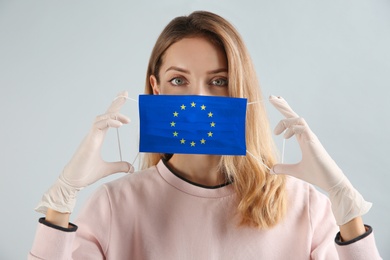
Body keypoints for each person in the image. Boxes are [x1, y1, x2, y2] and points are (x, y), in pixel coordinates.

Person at [29, 11, 382, 259]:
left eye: (219, 81)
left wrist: (345, 208)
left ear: (241, 89)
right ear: (155, 88)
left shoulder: (305, 207)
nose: (198, 100)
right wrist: (62, 202)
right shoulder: (115, 206)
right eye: (179, 80)